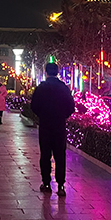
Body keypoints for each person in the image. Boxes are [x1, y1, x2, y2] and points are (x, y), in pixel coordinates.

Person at [31, 63, 75, 196]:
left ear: (46, 72)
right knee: (60, 155)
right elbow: (71, 107)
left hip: (45, 126)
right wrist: (62, 116)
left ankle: (46, 183)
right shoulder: (64, 88)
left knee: (45, 155)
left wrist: (42, 115)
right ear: (57, 72)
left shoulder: (41, 88)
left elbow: (34, 106)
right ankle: (61, 185)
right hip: (59, 126)